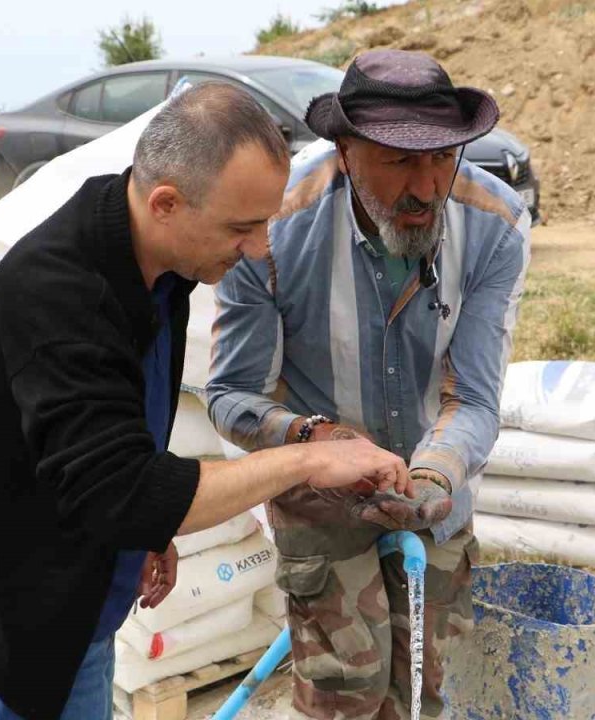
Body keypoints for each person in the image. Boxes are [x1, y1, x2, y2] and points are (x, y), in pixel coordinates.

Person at [0, 83, 412, 720]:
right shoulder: (57, 296)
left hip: (81, 600)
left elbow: (117, 434)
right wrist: (308, 460)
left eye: (265, 221)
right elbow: (119, 490)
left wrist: (151, 528)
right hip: (24, 621)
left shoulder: (161, 263)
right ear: (167, 203)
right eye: (242, 226)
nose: (260, 247)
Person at [207, 50, 531, 719]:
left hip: (436, 503)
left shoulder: (493, 226)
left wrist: (436, 477)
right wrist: (319, 443)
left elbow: (471, 395)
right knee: (344, 694)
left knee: (429, 692)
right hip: (319, 504)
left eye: (443, 157)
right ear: (347, 151)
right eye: (400, 161)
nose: (427, 185)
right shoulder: (274, 230)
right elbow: (232, 397)